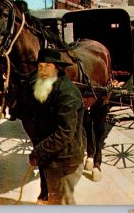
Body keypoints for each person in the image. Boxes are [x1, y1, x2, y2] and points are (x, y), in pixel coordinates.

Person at [29, 48, 85, 205]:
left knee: (62, 203)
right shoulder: (46, 87)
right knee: (57, 200)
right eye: (40, 66)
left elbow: (64, 133)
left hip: (65, 162)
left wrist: (39, 152)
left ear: (57, 68)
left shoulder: (67, 93)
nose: (43, 70)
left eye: (47, 66)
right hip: (54, 159)